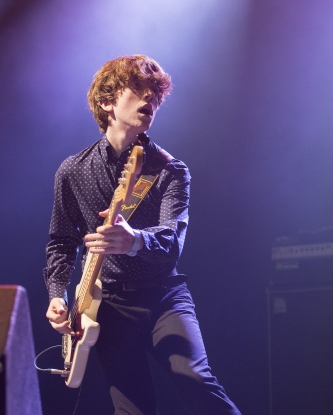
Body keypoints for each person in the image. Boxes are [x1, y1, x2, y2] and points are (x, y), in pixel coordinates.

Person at [44, 54, 241, 414]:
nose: (149, 99)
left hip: (163, 296)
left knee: (197, 382)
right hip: (109, 305)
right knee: (131, 408)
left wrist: (134, 240)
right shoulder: (71, 171)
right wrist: (57, 297)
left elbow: (172, 242)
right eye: (138, 89)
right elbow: (60, 242)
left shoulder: (169, 170)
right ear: (106, 102)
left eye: (155, 94)